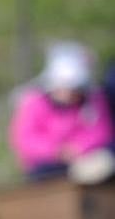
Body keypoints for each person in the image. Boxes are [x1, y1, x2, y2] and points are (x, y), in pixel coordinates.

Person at [9, 41, 115, 183]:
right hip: (47, 164)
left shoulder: (93, 101)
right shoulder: (34, 102)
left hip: (86, 160)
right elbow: (26, 138)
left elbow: (101, 131)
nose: (68, 94)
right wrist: (56, 151)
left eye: (74, 89)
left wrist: (79, 148)